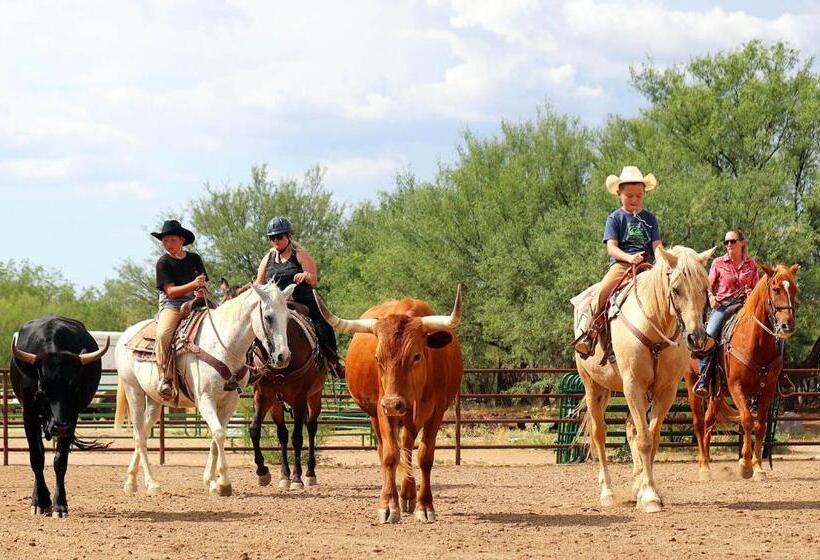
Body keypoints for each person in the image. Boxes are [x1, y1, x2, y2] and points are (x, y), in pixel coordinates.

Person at [692, 229, 794, 397]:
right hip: (723, 306)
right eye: (726, 242)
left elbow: (758, 290)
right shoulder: (718, 263)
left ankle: (781, 376)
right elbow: (708, 286)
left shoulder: (751, 265)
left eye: (732, 241)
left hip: (746, 307)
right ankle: (704, 377)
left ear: (742, 243)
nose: (729, 245)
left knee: (777, 336)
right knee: (710, 334)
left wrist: (751, 293)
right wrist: (711, 297)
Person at [574, 166, 663, 355]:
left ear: (644, 194)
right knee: (602, 292)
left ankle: (679, 336)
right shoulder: (615, 218)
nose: (634, 200)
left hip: (647, 266)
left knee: (672, 292)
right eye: (629, 196)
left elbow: (657, 245)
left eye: (638, 196)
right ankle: (588, 334)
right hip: (622, 265)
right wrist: (629, 257)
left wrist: (663, 261)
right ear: (619, 194)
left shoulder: (650, 219)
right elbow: (611, 248)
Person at [255, 217, 343, 376]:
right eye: (272, 238)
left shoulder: (300, 254)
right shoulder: (267, 258)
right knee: (253, 324)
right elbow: (259, 283)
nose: (276, 241)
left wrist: (305, 275)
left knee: (322, 323)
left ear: (289, 236)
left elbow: (314, 280)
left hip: (301, 299)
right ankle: (247, 366)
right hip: (275, 303)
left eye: (279, 236)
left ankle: (333, 361)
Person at [152, 220, 209, 399]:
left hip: (196, 302)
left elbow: (203, 283)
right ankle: (164, 376)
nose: (168, 244)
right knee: (163, 334)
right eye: (165, 241)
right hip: (172, 305)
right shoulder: (163, 262)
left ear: (182, 240)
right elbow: (170, 292)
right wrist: (193, 285)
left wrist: (201, 290)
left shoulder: (194, 259)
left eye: (172, 240)